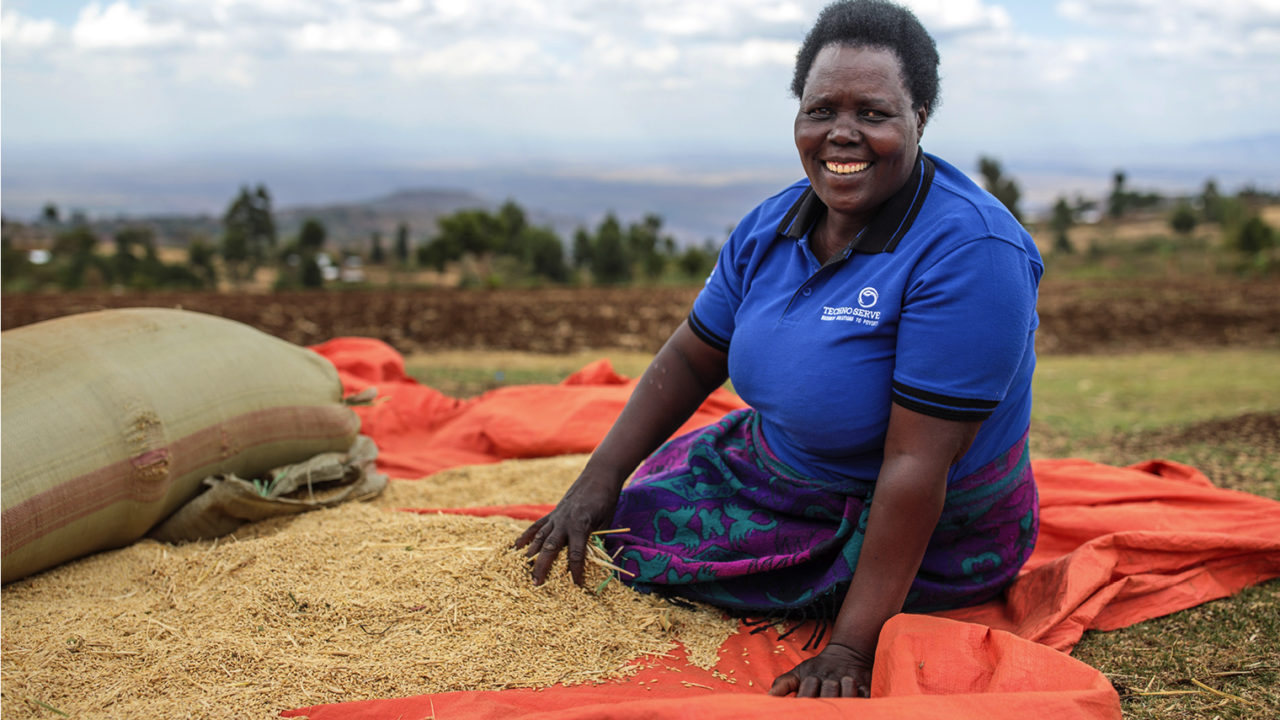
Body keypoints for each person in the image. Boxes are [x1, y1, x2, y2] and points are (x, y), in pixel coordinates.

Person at [516, 0, 1043, 700]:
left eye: (874, 114)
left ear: (920, 117)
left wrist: (851, 647)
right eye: (821, 110)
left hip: (916, 520)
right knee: (620, 521)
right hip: (772, 461)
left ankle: (849, 598)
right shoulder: (773, 225)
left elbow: (918, 463)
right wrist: (597, 479)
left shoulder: (973, 253)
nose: (842, 134)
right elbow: (692, 358)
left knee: (650, 556)